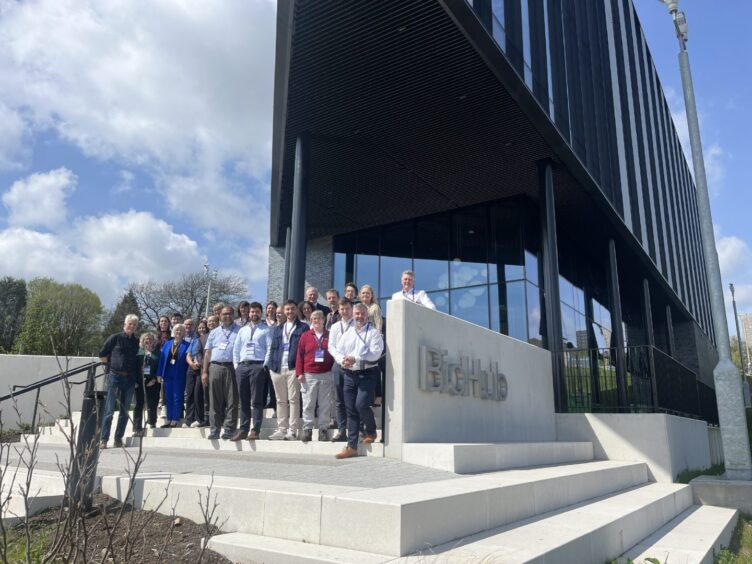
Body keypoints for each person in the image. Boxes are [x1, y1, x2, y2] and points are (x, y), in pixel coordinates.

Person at [331, 303, 384, 459]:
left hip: (367, 374)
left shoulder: (374, 333)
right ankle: (351, 446)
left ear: (367, 315)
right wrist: (342, 361)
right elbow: (337, 350)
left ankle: (372, 430)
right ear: (353, 315)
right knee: (351, 411)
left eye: (362, 313)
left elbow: (375, 354)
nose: (359, 316)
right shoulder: (347, 333)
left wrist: (356, 359)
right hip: (349, 374)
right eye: (357, 314)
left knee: (361, 405)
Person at [267, 300, 308, 440]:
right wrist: (271, 367)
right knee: (280, 400)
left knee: (294, 399)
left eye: (292, 309)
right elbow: (273, 348)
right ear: (284, 311)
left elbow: (304, 351)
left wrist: (301, 369)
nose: (290, 312)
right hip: (277, 368)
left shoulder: (303, 328)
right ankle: (281, 429)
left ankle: (293, 430)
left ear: (297, 310)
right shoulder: (278, 328)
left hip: (293, 368)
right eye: (287, 309)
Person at [98, 314, 140, 449]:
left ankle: (118, 439)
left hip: (129, 378)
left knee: (124, 411)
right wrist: (109, 368)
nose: (132, 326)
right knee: (109, 410)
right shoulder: (115, 338)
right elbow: (102, 354)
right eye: (130, 324)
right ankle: (104, 439)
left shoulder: (135, 341)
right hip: (115, 377)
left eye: (134, 324)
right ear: (125, 324)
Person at [232, 302, 271, 441]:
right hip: (242, 366)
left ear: (261, 313)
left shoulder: (265, 330)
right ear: (249, 313)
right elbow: (236, 349)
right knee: (243, 400)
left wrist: (263, 366)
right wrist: (237, 365)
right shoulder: (242, 330)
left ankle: (255, 430)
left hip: (257, 366)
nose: (254, 314)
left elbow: (269, 348)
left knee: (256, 401)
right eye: (252, 312)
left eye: (257, 312)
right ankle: (243, 430)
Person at [202, 306, 240, 440]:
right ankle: (214, 429)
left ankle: (229, 428)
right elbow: (207, 353)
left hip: (232, 368)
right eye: (224, 314)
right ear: (219, 315)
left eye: (230, 313)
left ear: (234, 315)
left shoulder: (240, 331)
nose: (227, 316)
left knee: (232, 399)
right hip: (215, 367)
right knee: (214, 400)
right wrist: (204, 371)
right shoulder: (214, 332)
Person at [296, 310, 334, 443]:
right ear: (311, 321)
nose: (316, 321)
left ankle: (323, 429)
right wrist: (299, 372)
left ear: (324, 320)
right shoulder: (305, 335)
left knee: (325, 404)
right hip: (309, 374)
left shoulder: (330, 335)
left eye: (319, 318)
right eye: (314, 319)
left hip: (326, 374)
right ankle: (308, 429)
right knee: (308, 403)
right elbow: (299, 355)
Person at [327, 298, 353, 442]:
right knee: (339, 401)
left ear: (351, 308)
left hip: (353, 365)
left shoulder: (357, 324)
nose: (344, 311)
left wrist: (349, 359)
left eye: (347, 308)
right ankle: (342, 430)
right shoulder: (335, 326)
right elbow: (331, 346)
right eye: (342, 309)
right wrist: (340, 359)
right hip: (338, 365)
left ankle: (355, 429)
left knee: (352, 399)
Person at [157, 324, 190, 427]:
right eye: (177, 330)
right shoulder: (167, 344)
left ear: (184, 333)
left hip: (179, 374)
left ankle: (175, 418)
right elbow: (162, 360)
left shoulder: (187, 345)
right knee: (168, 397)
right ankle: (168, 418)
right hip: (167, 373)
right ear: (173, 332)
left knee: (177, 397)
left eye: (181, 331)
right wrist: (159, 374)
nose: (178, 332)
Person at [133, 332, 160, 436]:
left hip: (152, 382)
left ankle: (152, 422)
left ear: (153, 341)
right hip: (140, 381)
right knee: (138, 404)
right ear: (142, 341)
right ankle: (137, 428)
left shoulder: (157, 353)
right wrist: (135, 381)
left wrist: (153, 379)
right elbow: (134, 368)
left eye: (150, 339)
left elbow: (159, 367)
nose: (147, 341)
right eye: (145, 339)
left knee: (152, 403)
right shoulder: (138, 352)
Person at [184, 317, 204, 428]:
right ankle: (188, 419)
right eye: (200, 327)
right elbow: (188, 354)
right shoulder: (195, 339)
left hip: (201, 368)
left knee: (198, 394)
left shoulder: (207, 338)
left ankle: (199, 418)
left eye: (203, 327)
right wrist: (191, 363)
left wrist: (200, 364)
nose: (201, 329)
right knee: (190, 394)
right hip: (191, 368)